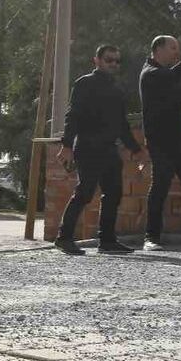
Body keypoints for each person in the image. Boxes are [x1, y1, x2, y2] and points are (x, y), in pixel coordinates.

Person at [56, 45, 142, 255]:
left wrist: (136, 149)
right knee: (85, 192)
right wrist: (66, 145)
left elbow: (122, 124)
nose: (112, 64)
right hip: (87, 147)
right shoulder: (84, 83)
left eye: (116, 61)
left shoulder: (117, 89)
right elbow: (72, 116)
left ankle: (107, 240)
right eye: (108, 59)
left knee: (114, 193)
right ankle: (64, 238)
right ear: (97, 60)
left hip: (109, 149)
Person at [140, 35, 181, 251]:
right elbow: (178, 91)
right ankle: (151, 238)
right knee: (160, 187)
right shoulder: (150, 74)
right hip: (161, 143)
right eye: (173, 48)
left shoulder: (163, 74)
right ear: (158, 48)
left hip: (179, 141)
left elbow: (174, 78)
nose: (176, 52)